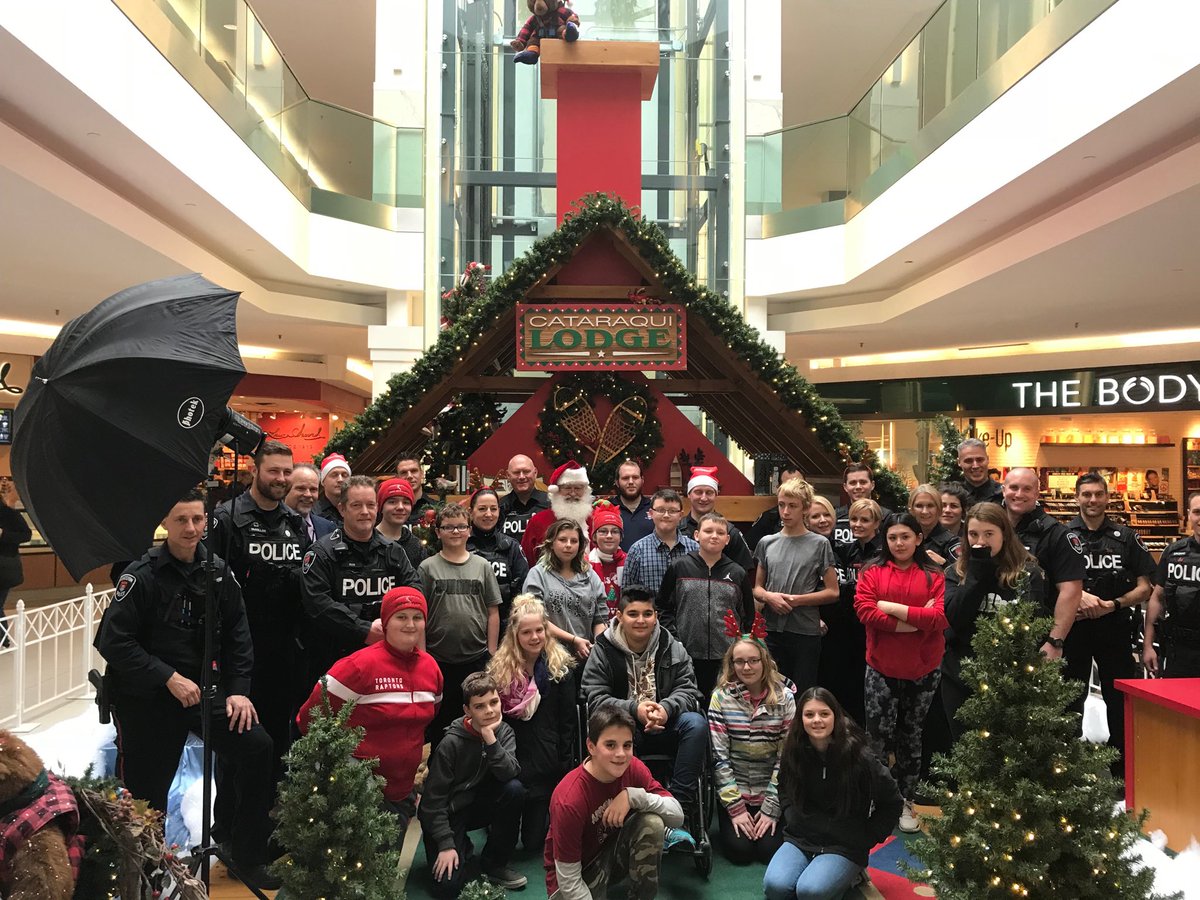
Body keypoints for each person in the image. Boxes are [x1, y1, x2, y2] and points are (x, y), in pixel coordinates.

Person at [97, 488, 278, 890]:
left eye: (198, 520)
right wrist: (166, 676)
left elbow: (237, 634)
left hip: (204, 693)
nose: (192, 528)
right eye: (182, 520)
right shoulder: (140, 575)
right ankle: (147, 872)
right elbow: (112, 641)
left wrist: (239, 690)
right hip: (147, 699)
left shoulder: (216, 571)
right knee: (148, 793)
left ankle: (243, 853)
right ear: (165, 522)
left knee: (257, 747)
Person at [297, 586, 442, 837]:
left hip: (403, 791)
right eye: (401, 617)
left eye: (417, 617)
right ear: (385, 622)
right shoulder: (357, 666)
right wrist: (344, 772)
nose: (410, 625)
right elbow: (309, 718)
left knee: (385, 870)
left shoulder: (430, 668)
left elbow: (430, 714)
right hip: (358, 796)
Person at [209, 439, 308, 779]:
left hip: (284, 651)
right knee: (238, 741)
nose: (281, 478)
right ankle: (228, 826)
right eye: (274, 471)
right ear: (255, 471)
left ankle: (271, 818)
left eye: (287, 471)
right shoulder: (225, 519)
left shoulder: (296, 524)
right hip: (238, 653)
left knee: (279, 740)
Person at [581, 585, 707, 842]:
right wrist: (633, 710)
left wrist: (666, 708)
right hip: (625, 730)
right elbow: (595, 698)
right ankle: (633, 815)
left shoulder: (672, 646)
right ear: (619, 615)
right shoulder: (602, 649)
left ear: (656, 616)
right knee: (617, 732)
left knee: (696, 723)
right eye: (633, 614)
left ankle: (677, 810)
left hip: (667, 722)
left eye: (647, 614)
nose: (641, 620)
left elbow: (688, 689)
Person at [854, 512, 947, 833]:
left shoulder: (934, 574)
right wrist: (915, 621)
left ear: (918, 538)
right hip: (880, 667)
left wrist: (891, 608)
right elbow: (865, 609)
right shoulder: (873, 571)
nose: (899, 543)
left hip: (924, 668)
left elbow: (939, 617)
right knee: (877, 738)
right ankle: (875, 799)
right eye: (893, 538)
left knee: (911, 737)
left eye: (905, 537)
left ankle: (905, 800)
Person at [764, 687, 902, 900]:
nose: (816, 720)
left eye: (824, 714)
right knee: (775, 887)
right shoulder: (794, 750)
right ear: (800, 719)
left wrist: (868, 836)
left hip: (844, 845)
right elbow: (783, 785)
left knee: (810, 891)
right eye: (809, 714)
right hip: (801, 837)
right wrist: (791, 814)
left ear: (835, 717)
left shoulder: (859, 756)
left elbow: (892, 801)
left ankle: (853, 874)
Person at [1063, 474, 1155, 773]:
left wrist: (1113, 605)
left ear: (1107, 497)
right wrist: (1082, 598)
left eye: (1098, 494)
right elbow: (1050, 581)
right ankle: (1068, 771)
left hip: (1115, 626)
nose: (1092, 500)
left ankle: (1121, 772)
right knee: (1069, 699)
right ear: (1077, 497)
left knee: (1119, 699)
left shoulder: (1126, 537)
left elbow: (1146, 587)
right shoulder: (1063, 537)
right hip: (1073, 628)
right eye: (1086, 494)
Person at [545, 706, 684, 900]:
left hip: (609, 858)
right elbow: (568, 881)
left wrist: (632, 796)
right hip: (574, 879)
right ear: (591, 746)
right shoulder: (569, 799)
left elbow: (677, 815)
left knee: (652, 823)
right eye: (610, 745)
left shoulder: (632, 767)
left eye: (627, 745)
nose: (621, 754)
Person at [300, 475, 422, 686]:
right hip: (334, 657)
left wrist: (392, 623)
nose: (365, 512)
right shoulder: (322, 553)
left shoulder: (393, 551)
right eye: (357, 505)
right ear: (342, 509)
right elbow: (318, 605)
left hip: (386, 654)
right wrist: (363, 630)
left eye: (370, 505)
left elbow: (415, 590)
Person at [942, 502, 1046, 738]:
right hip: (960, 676)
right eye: (973, 534)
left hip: (1009, 677)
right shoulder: (954, 573)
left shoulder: (1028, 574)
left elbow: (1032, 628)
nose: (981, 541)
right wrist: (977, 572)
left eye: (989, 534)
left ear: (1004, 535)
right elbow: (954, 619)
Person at [418, 671, 527, 896]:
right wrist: (446, 844)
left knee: (514, 790)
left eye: (494, 702)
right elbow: (431, 804)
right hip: (448, 812)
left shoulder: (504, 732)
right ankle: (459, 846)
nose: (489, 710)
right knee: (447, 889)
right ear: (467, 711)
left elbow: (509, 773)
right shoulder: (450, 743)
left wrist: (490, 739)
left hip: (478, 805)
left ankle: (494, 863)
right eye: (480, 706)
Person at [486, 595, 577, 852]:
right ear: (515, 634)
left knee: (533, 842)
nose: (535, 637)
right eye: (527, 632)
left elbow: (567, 721)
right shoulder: (499, 670)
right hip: (512, 756)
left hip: (545, 760)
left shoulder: (561, 669)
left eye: (539, 630)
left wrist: (564, 762)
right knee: (505, 831)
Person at [707, 625, 795, 864]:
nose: (746, 667)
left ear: (765, 661)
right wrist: (735, 808)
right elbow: (719, 757)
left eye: (753, 660)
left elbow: (786, 758)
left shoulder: (786, 698)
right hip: (736, 790)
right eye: (739, 661)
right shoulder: (720, 698)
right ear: (731, 664)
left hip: (772, 789)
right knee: (740, 853)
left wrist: (772, 806)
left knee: (769, 852)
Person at [420, 503, 503, 748]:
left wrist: (491, 652)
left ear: (469, 530)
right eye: (448, 527)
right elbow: (420, 615)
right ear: (438, 532)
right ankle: (438, 772)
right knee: (440, 723)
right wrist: (423, 656)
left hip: (476, 658)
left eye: (460, 527)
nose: (455, 532)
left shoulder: (482, 567)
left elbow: (493, 611)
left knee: (475, 720)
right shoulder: (427, 568)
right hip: (438, 659)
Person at [754, 478, 839, 697]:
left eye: (792, 506)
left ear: (805, 508)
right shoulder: (767, 542)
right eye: (782, 505)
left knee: (803, 691)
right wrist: (770, 597)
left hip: (805, 630)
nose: (786, 511)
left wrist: (796, 600)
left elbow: (832, 591)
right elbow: (757, 588)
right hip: (772, 628)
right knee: (772, 690)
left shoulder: (819, 543)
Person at [658, 512, 751, 699]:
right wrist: (676, 639)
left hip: (726, 658)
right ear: (697, 535)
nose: (714, 536)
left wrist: (739, 647)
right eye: (708, 531)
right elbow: (663, 608)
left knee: (724, 704)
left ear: (727, 539)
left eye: (720, 532)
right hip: (686, 655)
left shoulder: (737, 573)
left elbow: (747, 616)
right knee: (691, 704)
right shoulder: (679, 568)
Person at [1002, 468, 1083, 661]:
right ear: (1003, 490)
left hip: (1038, 637)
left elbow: (1071, 592)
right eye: (1013, 487)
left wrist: (1055, 641)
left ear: (1037, 494)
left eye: (1027, 489)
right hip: (995, 633)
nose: (1019, 494)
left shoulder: (1057, 535)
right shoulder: (991, 528)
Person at [818, 498, 882, 727]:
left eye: (865, 520)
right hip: (846, 626)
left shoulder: (883, 553)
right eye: (854, 519)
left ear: (876, 523)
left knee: (865, 684)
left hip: (872, 627)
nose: (857, 524)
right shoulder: (847, 549)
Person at [522, 518, 608, 661]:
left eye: (574, 541)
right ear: (551, 543)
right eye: (562, 540)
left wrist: (597, 646)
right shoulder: (538, 575)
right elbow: (536, 620)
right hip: (549, 657)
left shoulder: (590, 575)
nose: (568, 545)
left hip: (586, 655)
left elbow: (601, 618)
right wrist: (573, 640)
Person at [1144, 491, 1200, 678]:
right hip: (1179, 651)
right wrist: (1148, 645)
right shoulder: (1174, 553)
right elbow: (1157, 598)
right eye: (1197, 512)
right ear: (1189, 515)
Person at [466, 487, 528, 627]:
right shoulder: (461, 544)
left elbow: (523, 589)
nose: (488, 514)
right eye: (482, 509)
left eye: (493, 509)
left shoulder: (512, 546)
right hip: (469, 625)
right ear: (471, 512)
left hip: (507, 626)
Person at [622, 488, 699, 598]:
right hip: (650, 613)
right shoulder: (637, 550)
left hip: (685, 614)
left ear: (681, 515)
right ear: (651, 513)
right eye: (660, 510)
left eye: (672, 511)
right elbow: (627, 593)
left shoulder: (694, 548)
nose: (666, 515)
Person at [521, 461, 595, 566]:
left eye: (578, 488)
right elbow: (526, 559)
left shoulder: (594, 520)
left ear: (585, 491)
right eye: (567, 488)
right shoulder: (538, 521)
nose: (573, 493)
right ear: (557, 490)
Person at [679, 466, 753, 570]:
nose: (704, 498)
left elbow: (744, 572)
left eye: (709, 492)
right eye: (698, 492)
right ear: (689, 494)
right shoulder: (677, 530)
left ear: (716, 495)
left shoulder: (730, 532)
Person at [0, 477, 32, 648]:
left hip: (5, 568)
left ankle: (3, 639)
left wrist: (3, 535)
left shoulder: (8, 513)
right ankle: (3, 639)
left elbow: (25, 534)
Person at [375, 476, 429, 569]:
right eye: (392, 502)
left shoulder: (415, 546)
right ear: (381, 507)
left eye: (406, 502)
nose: (400, 507)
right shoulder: (369, 541)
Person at [747, 464, 804, 551]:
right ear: (778, 489)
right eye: (788, 485)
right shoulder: (771, 517)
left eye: (798, 485)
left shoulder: (817, 513)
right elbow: (750, 545)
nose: (793, 490)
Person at [834, 463, 892, 544]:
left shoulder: (885, 516)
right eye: (853, 483)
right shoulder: (835, 516)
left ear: (872, 485)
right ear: (845, 487)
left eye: (863, 482)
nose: (858, 487)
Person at [499, 453, 550, 543]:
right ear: (508, 475)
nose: (522, 477)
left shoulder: (551, 503)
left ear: (535, 473)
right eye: (516, 472)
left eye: (526, 471)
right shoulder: (499, 507)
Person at [587, 501, 626, 617]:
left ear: (621, 536)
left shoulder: (631, 561)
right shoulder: (584, 564)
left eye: (614, 532)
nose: (609, 536)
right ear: (594, 536)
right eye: (603, 531)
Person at [285, 462, 335, 544]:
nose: (308, 494)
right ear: (286, 489)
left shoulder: (329, 529)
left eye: (313, 490)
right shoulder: (273, 526)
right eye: (301, 488)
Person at [611, 459, 653, 551]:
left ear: (642, 480)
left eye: (635, 477)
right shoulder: (608, 508)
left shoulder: (654, 508)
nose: (630, 482)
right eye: (625, 478)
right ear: (617, 482)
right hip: (616, 564)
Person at [909, 483, 954, 566]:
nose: (925, 511)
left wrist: (944, 564)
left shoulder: (952, 543)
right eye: (919, 506)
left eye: (930, 506)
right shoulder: (903, 539)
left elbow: (963, 576)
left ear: (939, 509)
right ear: (911, 509)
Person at [956, 437, 1004, 506]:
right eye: (969, 461)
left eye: (980, 460)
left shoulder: (1003, 495)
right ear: (959, 462)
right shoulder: (953, 495)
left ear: (987, 459)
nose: (975, 466)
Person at [397, 454, 438, 523]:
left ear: (422, 474)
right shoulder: (391, 511)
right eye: (404, 472)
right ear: (397, 477)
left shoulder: (436, 508)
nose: (409, 476)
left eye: (414, 471)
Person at [315, 453, 351, 524]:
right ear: (323, 481)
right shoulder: (314, 511)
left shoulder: (355, 508)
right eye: (334, 475)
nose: (340, 479)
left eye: (344, 475)